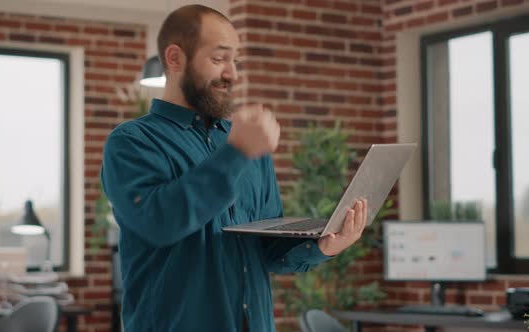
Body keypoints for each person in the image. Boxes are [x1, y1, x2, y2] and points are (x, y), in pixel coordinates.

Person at [101, 4, 368, 332]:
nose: (233, 74)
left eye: (235, 61)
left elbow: (266, 248)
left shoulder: (245, 143)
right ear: (175, 58)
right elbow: (160, 222)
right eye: (218, 59)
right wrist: (238, 152)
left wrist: (325, 245)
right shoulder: (132, 141)